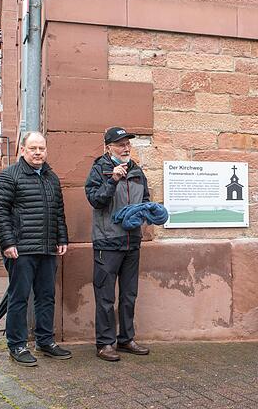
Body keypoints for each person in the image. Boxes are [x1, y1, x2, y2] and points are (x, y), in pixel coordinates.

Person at [0, 131, 71, 366]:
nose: (38, 153)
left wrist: (62, 238)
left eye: (42, 149)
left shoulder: (51, 177)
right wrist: (7, 242)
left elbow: (58, 211)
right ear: (23, 150)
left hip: (47, 248)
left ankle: (45, 341)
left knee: (46, 296)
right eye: (33, 148)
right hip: (21, 249)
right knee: (19, 297)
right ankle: (16, 345)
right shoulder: (9, 176)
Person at [85, 127, 151, 362]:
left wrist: (145, 214)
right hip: (107, 242)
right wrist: (112, 180)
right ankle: (104, 343)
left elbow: (145, 200)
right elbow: (95, 200)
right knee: (105, 296)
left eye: (127, 144)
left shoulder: (136, 170)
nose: (125, 148)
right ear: (108, 147)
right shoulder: (99, 169)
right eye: (120, 144)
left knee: (129, 294)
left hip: (132, 241)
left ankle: (126, 339)